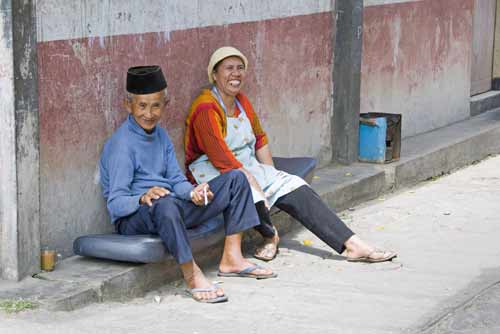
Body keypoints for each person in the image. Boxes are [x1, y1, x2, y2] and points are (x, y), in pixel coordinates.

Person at [184, 47, 397, 263]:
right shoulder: (205, 108)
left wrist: (271, 175)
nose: (236, 74)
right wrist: (256, 184)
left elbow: (259, 139)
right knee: (250, 192)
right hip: (211, 172)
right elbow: (221, 158)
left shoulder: (241, 101)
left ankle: (352, 244)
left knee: (292, 184)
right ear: (214, 74)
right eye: (229, 68)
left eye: (240, 68)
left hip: (243, 164)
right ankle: (270, 236)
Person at [99, 65, 276, 304]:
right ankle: (192, 275)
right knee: (165, 204)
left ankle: (232, 258)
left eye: (156, 105)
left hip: (169, 206)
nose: (149, 113)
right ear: (127, 105)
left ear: (165, 104)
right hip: (135, 216)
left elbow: (175, 180)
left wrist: (193, 192)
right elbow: (116, 205)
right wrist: (142, 197)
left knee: (236, 178)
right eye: (142, 105)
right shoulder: (122, 145)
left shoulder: (160, 135)